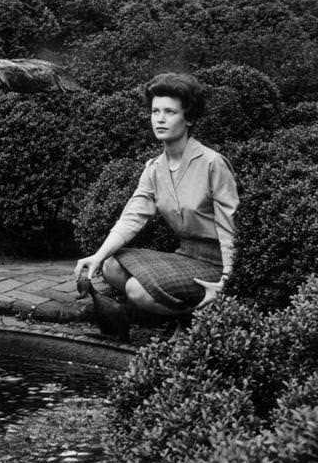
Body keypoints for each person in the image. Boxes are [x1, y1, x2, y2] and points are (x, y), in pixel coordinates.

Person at [74, 72, 239, 342]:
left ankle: (191, 319)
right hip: (185, 255)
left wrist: (227, 280)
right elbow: (131, 218)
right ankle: (179, 316)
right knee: (111, 266)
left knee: (137, 290)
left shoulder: (212, 164)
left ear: (189, 119)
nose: (160, 119)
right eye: (155, 111)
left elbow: (229, 227)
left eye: (170, 112)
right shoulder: (154, 169)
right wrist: (97, 255)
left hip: (215, 263)